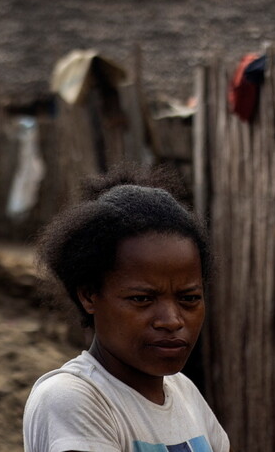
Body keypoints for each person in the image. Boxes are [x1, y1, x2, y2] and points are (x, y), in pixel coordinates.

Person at [23, 167, 229, 452]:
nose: (171, 320)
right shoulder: (73, 398)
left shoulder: (185, 394)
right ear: (89, 296)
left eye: (189, 298)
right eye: (142, 299)